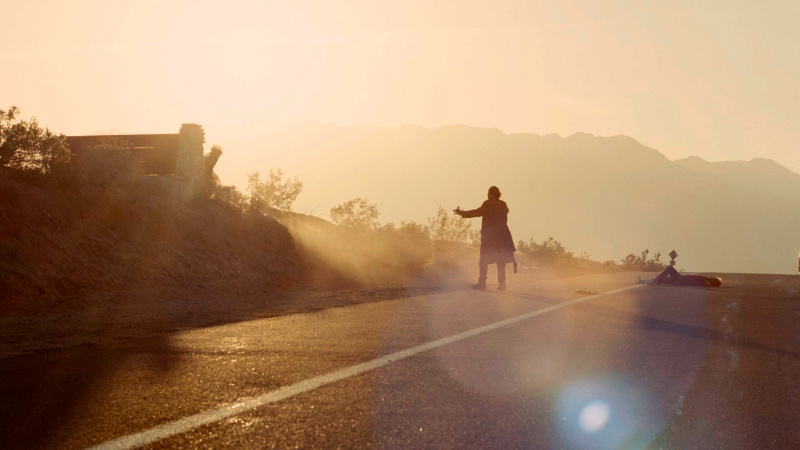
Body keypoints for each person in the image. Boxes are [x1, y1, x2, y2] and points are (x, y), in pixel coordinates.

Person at [454, 186, 517, 291]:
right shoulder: (503, 205)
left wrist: (462, 213)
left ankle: (482, 283)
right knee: (501, 261)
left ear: (490, 194)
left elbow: (476, 212)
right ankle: (502, 284)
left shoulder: (488, 204)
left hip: (490, 237)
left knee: (484, 259)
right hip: (502, 237)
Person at [640, 264, 722, 287]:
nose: (713, 277)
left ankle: (654, 281)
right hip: (680, 280)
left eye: (715, 279)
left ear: (714, 281)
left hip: (681, 280)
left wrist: (709, 283)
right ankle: (641, 281)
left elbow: (706, 284)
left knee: (670, 267)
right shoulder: (706, 280)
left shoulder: (707, 280)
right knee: (661, 279)